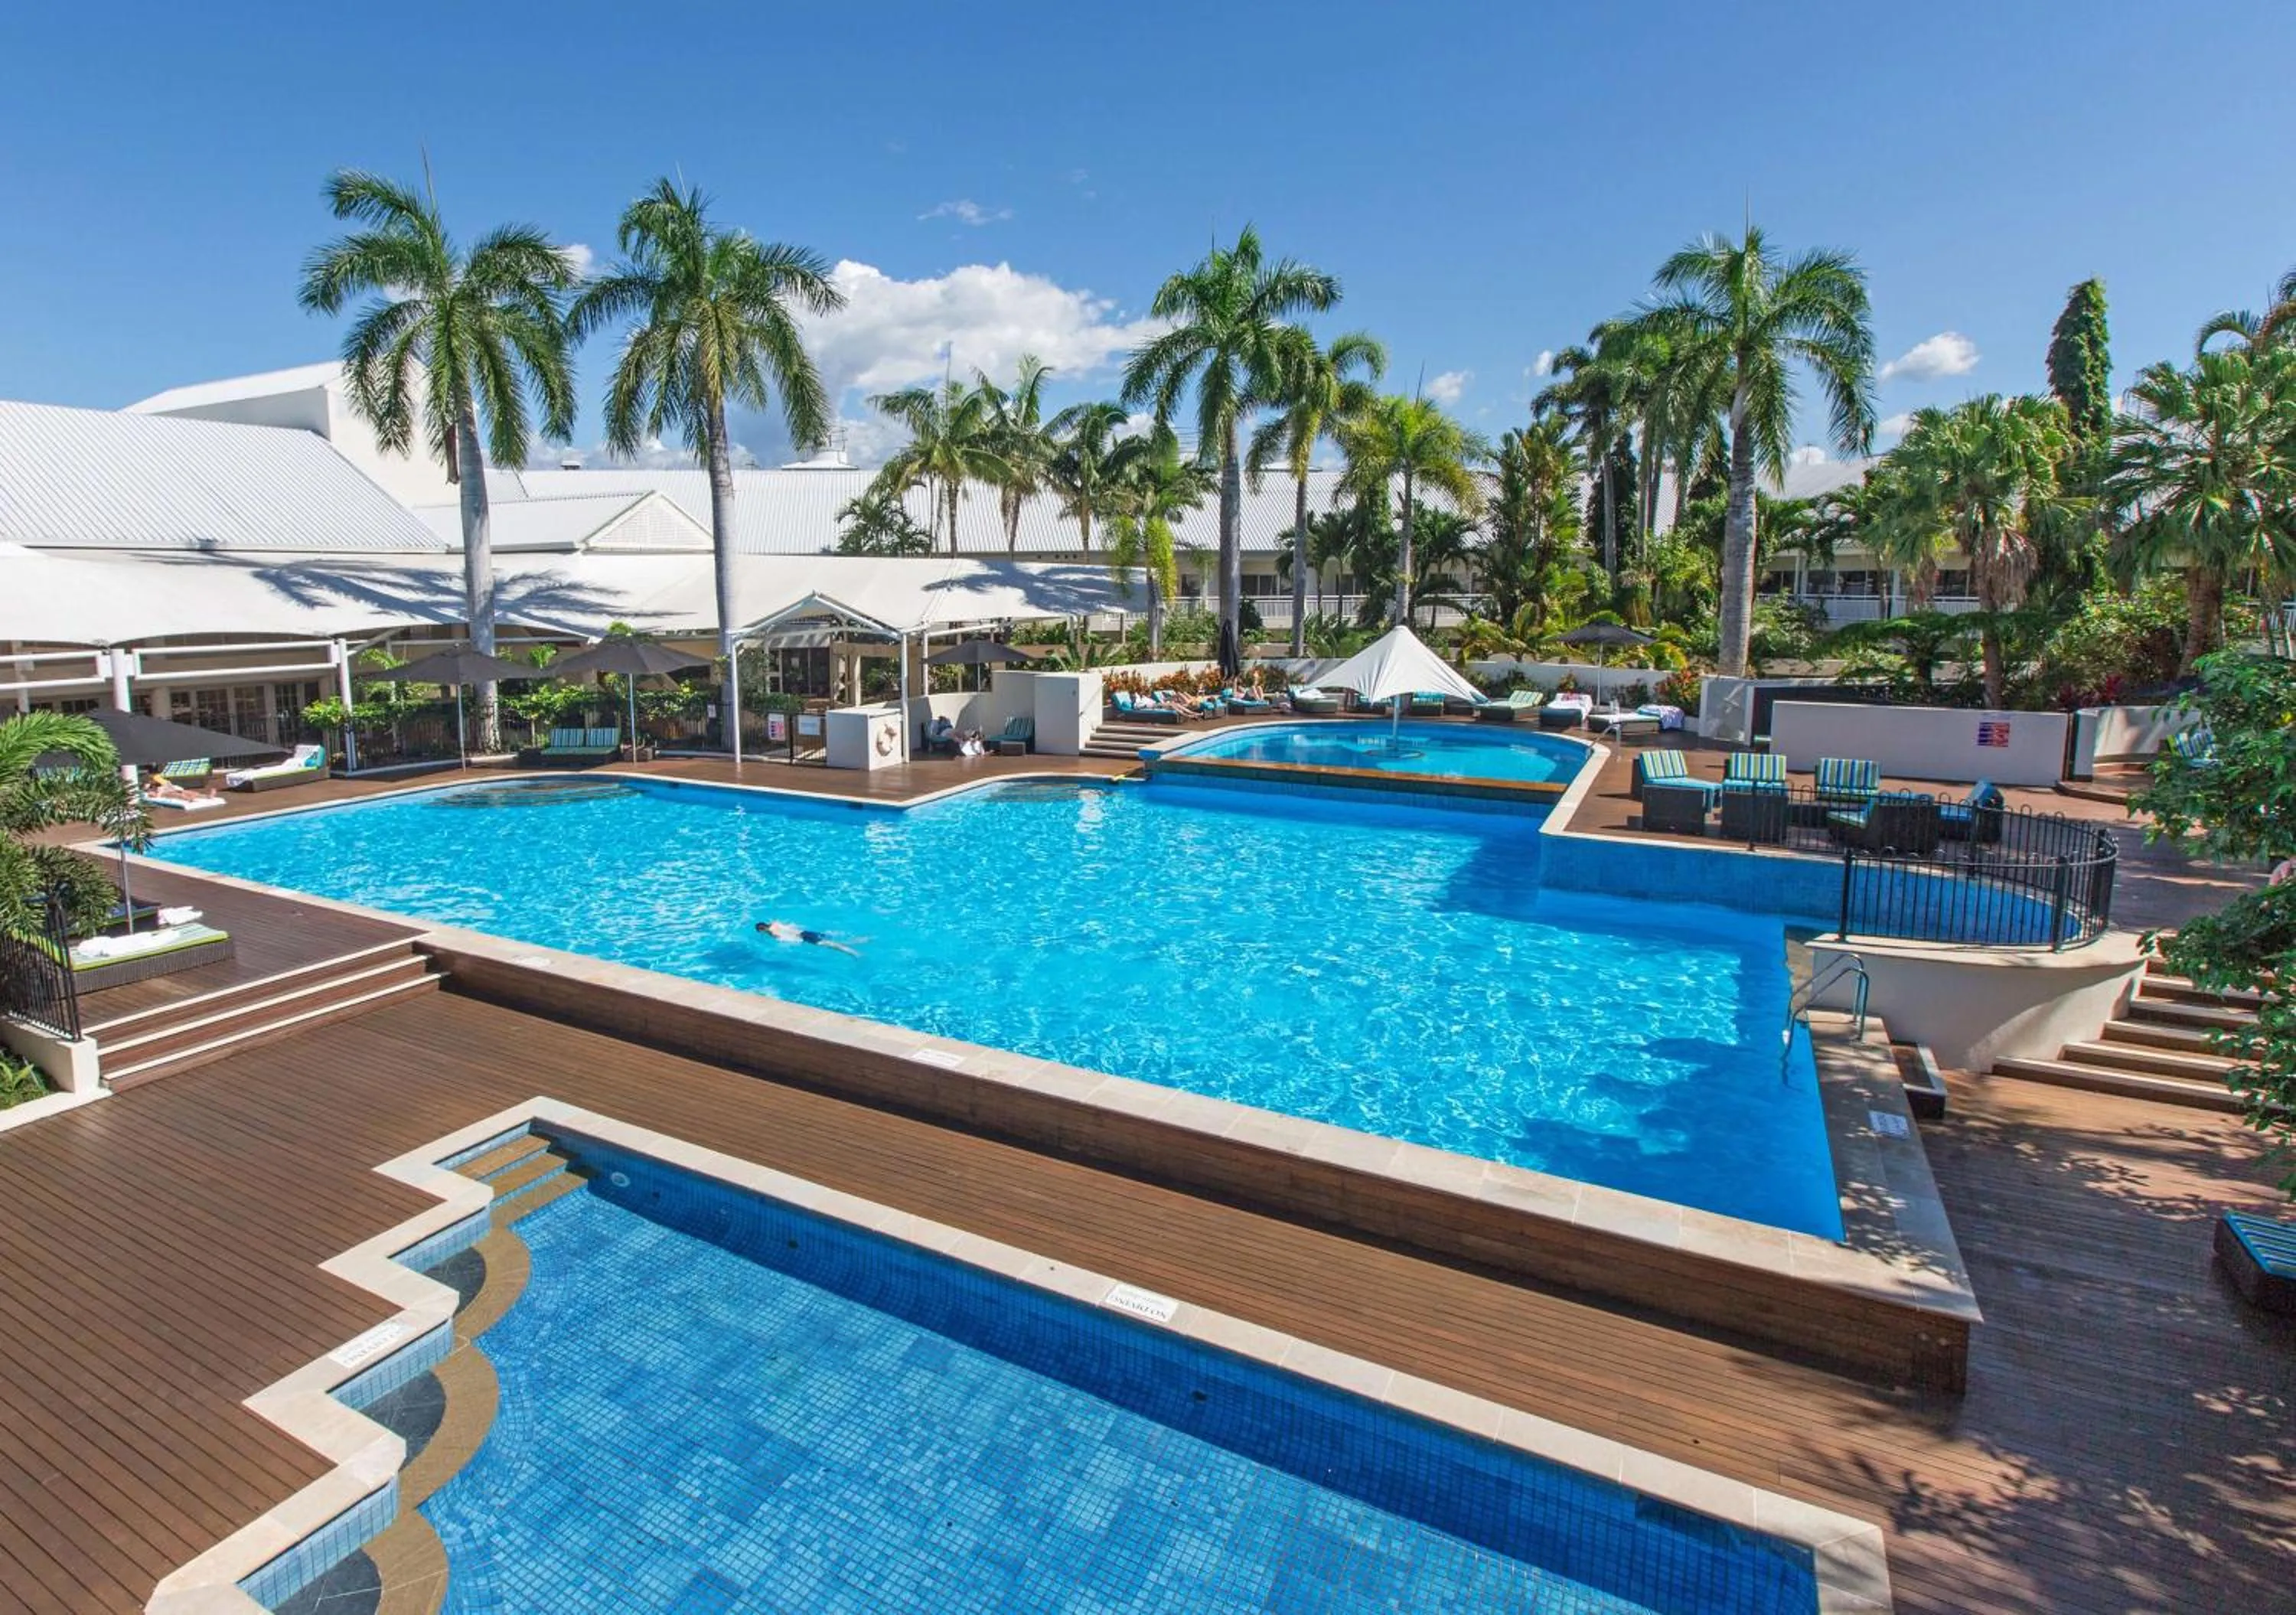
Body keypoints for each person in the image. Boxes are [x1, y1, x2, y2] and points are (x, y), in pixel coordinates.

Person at [755, 919, 860, 958]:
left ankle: (855, 954)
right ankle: (860, 941)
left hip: (804, 937)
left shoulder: (773, 933)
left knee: (832, 946)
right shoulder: (775, 922)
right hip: (805, 932)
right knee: (834, 942)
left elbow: (782, 938)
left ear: (762, 929)